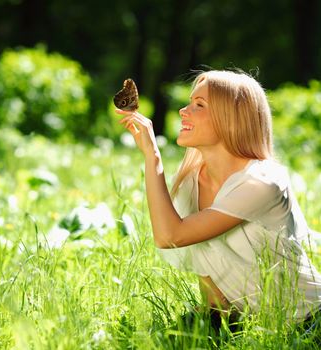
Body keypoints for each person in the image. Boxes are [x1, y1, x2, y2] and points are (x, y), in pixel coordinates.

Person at [116, 70, 321, 334]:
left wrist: (152, 156)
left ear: (232, 119)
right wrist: (215, 325)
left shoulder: (261, 182)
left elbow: (169, 236)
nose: (183, 110)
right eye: (190, 102)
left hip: (308, 322)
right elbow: (205, 265)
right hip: (246, 321)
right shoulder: (190, 181)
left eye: (199, 105)